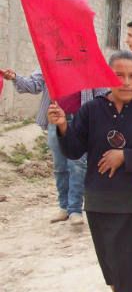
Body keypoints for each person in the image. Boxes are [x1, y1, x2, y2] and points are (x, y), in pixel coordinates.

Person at [47, 50, 132, 292]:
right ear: (107, 77)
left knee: (126, 265)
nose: (126, 81)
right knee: (111, 267)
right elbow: (74, 150)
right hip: (98, 201)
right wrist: (63, 129)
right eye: (118, 75)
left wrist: (125, 156)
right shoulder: (91, 110)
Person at [2, 68, 106, 225]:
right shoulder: (48, 63)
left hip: (80, 122)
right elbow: (33, 85)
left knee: (77, 165)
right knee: (60, 166)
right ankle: (64, 207)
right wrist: (14, 77)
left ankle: (75, 210)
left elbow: (102, 94)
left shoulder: (87, 65)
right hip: (55, 120)